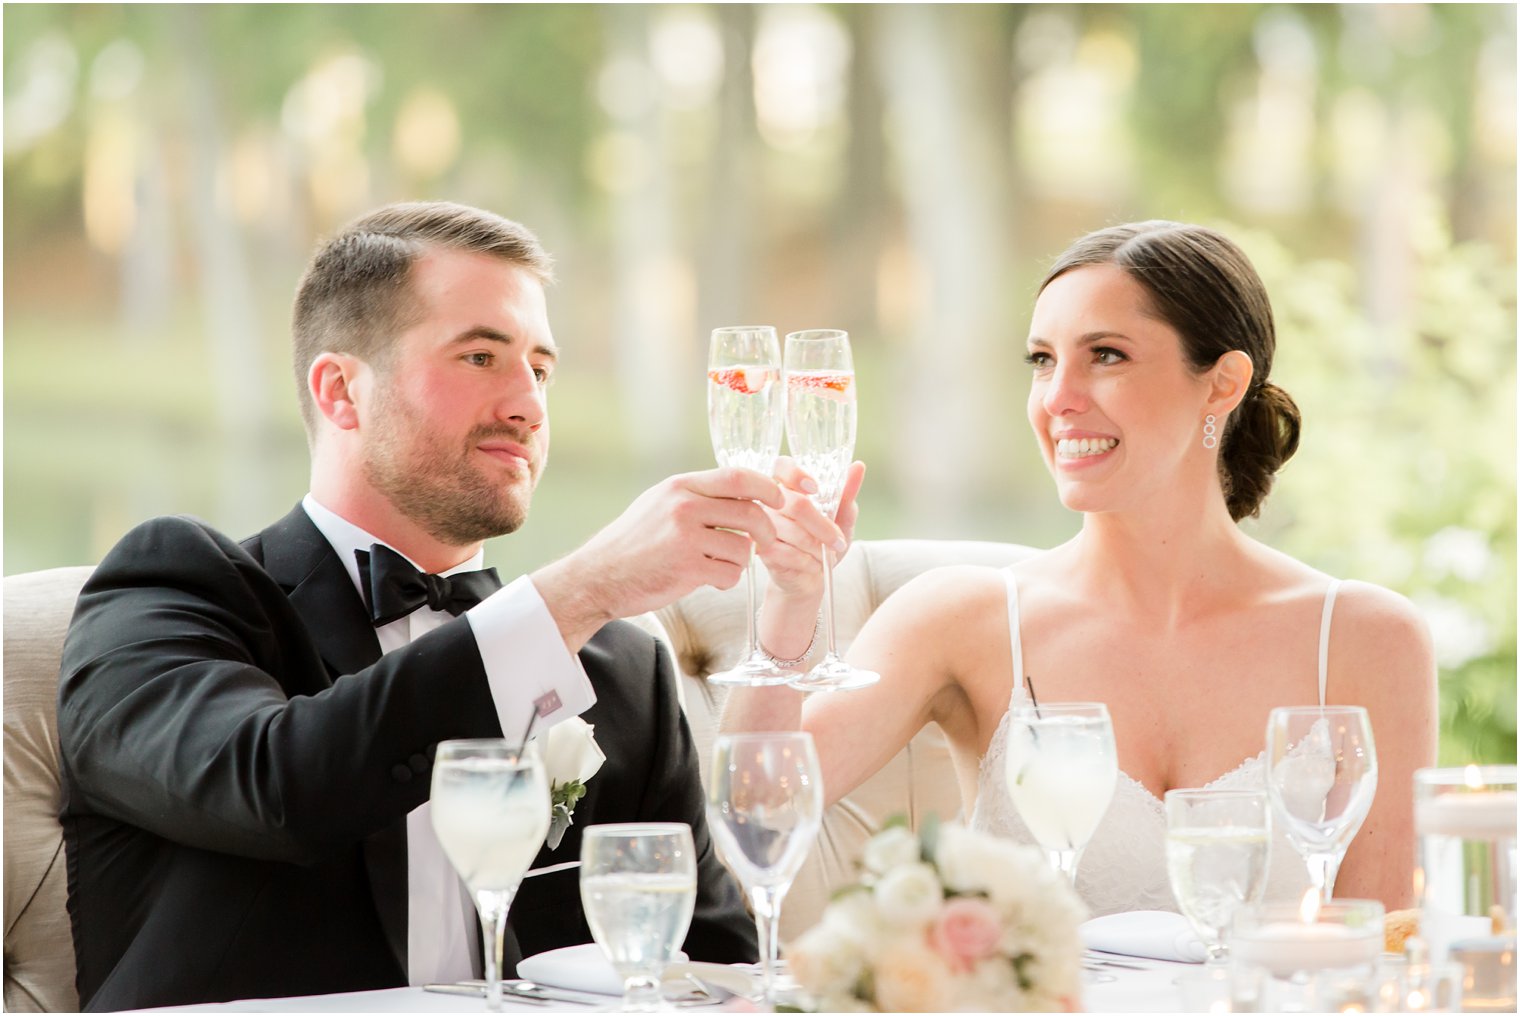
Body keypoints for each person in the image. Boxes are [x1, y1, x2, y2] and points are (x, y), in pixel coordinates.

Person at [57, 201, 849, 1011]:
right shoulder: (170, 590)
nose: (529, 404)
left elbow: (715, 969)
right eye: (480, 357)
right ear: (340, 392)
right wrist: (583, 589)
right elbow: (280, 787)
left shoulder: (624, 675)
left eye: (540, 369)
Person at [732, 220, 1437, 917]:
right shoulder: (959, 619)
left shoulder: (1366, 640)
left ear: (1222, 384)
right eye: (1041, 360)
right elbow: (757, 817)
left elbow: (1381, 945)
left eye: (1105, 355)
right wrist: (794, 600)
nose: (1057, 398)